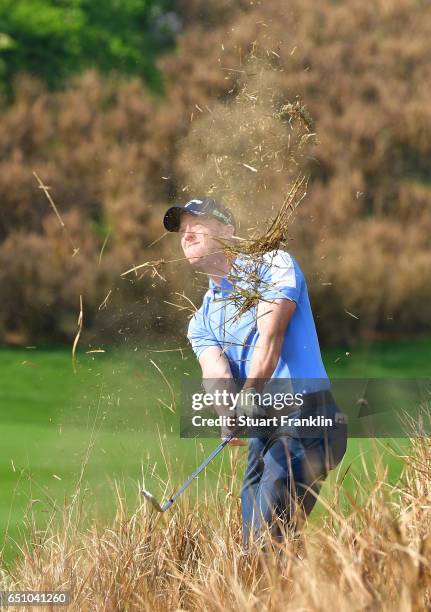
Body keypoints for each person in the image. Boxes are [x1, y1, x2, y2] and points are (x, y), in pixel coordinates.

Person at [163, 196, 347, 547]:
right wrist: (227, 411)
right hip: (264, 432)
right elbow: (214, 372)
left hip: (310, 419)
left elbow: (271, 336)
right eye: (181, 230)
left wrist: (249, 392)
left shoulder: (272, 265)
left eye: (195, 225)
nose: (186, 234)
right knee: (253, 545)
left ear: (227, 230)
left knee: (266, 539)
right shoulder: (201, 319)